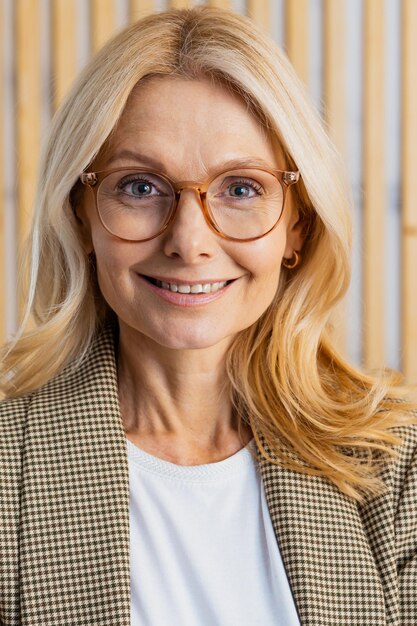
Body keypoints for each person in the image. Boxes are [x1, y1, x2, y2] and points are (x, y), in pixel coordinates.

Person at [0, 6, 416, 626]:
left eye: (241, 188)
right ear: (82, 215)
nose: (189, 241)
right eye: (140, 186)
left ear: (296, 223)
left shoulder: (395, 462)